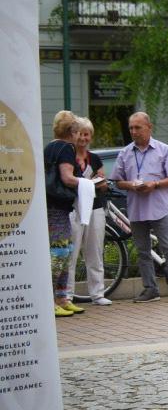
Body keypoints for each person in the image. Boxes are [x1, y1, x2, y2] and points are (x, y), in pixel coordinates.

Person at [110, 111, 168, 305]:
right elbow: (117, 181)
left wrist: (154, 185)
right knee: (143, 251)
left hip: (159, 208)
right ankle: (150, 289)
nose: (134, 131)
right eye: (131, 128)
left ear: (149, 127)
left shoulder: (163, 150)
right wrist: (132, 186)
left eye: (138, 127)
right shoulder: (125, 152)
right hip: (136, 209)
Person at [64, 116, 113, 306]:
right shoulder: (67, 157)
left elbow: (103, 184)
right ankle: (67, 295)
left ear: (90, 136)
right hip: (73, 209)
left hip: (95, 208)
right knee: (71, 253)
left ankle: (98, 294)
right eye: (80, 134)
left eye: (87, 134)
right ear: (73, 135)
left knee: (95, 251)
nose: (83, 138)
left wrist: (100, 183)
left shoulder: (95, 158)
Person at [43, 110, 85, 316]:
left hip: (51, 205)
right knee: (60, 253)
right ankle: (51, 300)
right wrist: (88, 184)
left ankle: (62, 298)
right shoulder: (67, 148)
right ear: (73, 131)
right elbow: (68, 178)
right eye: (78, 132)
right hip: (58, 206)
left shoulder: (49, 146)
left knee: (66, 250)